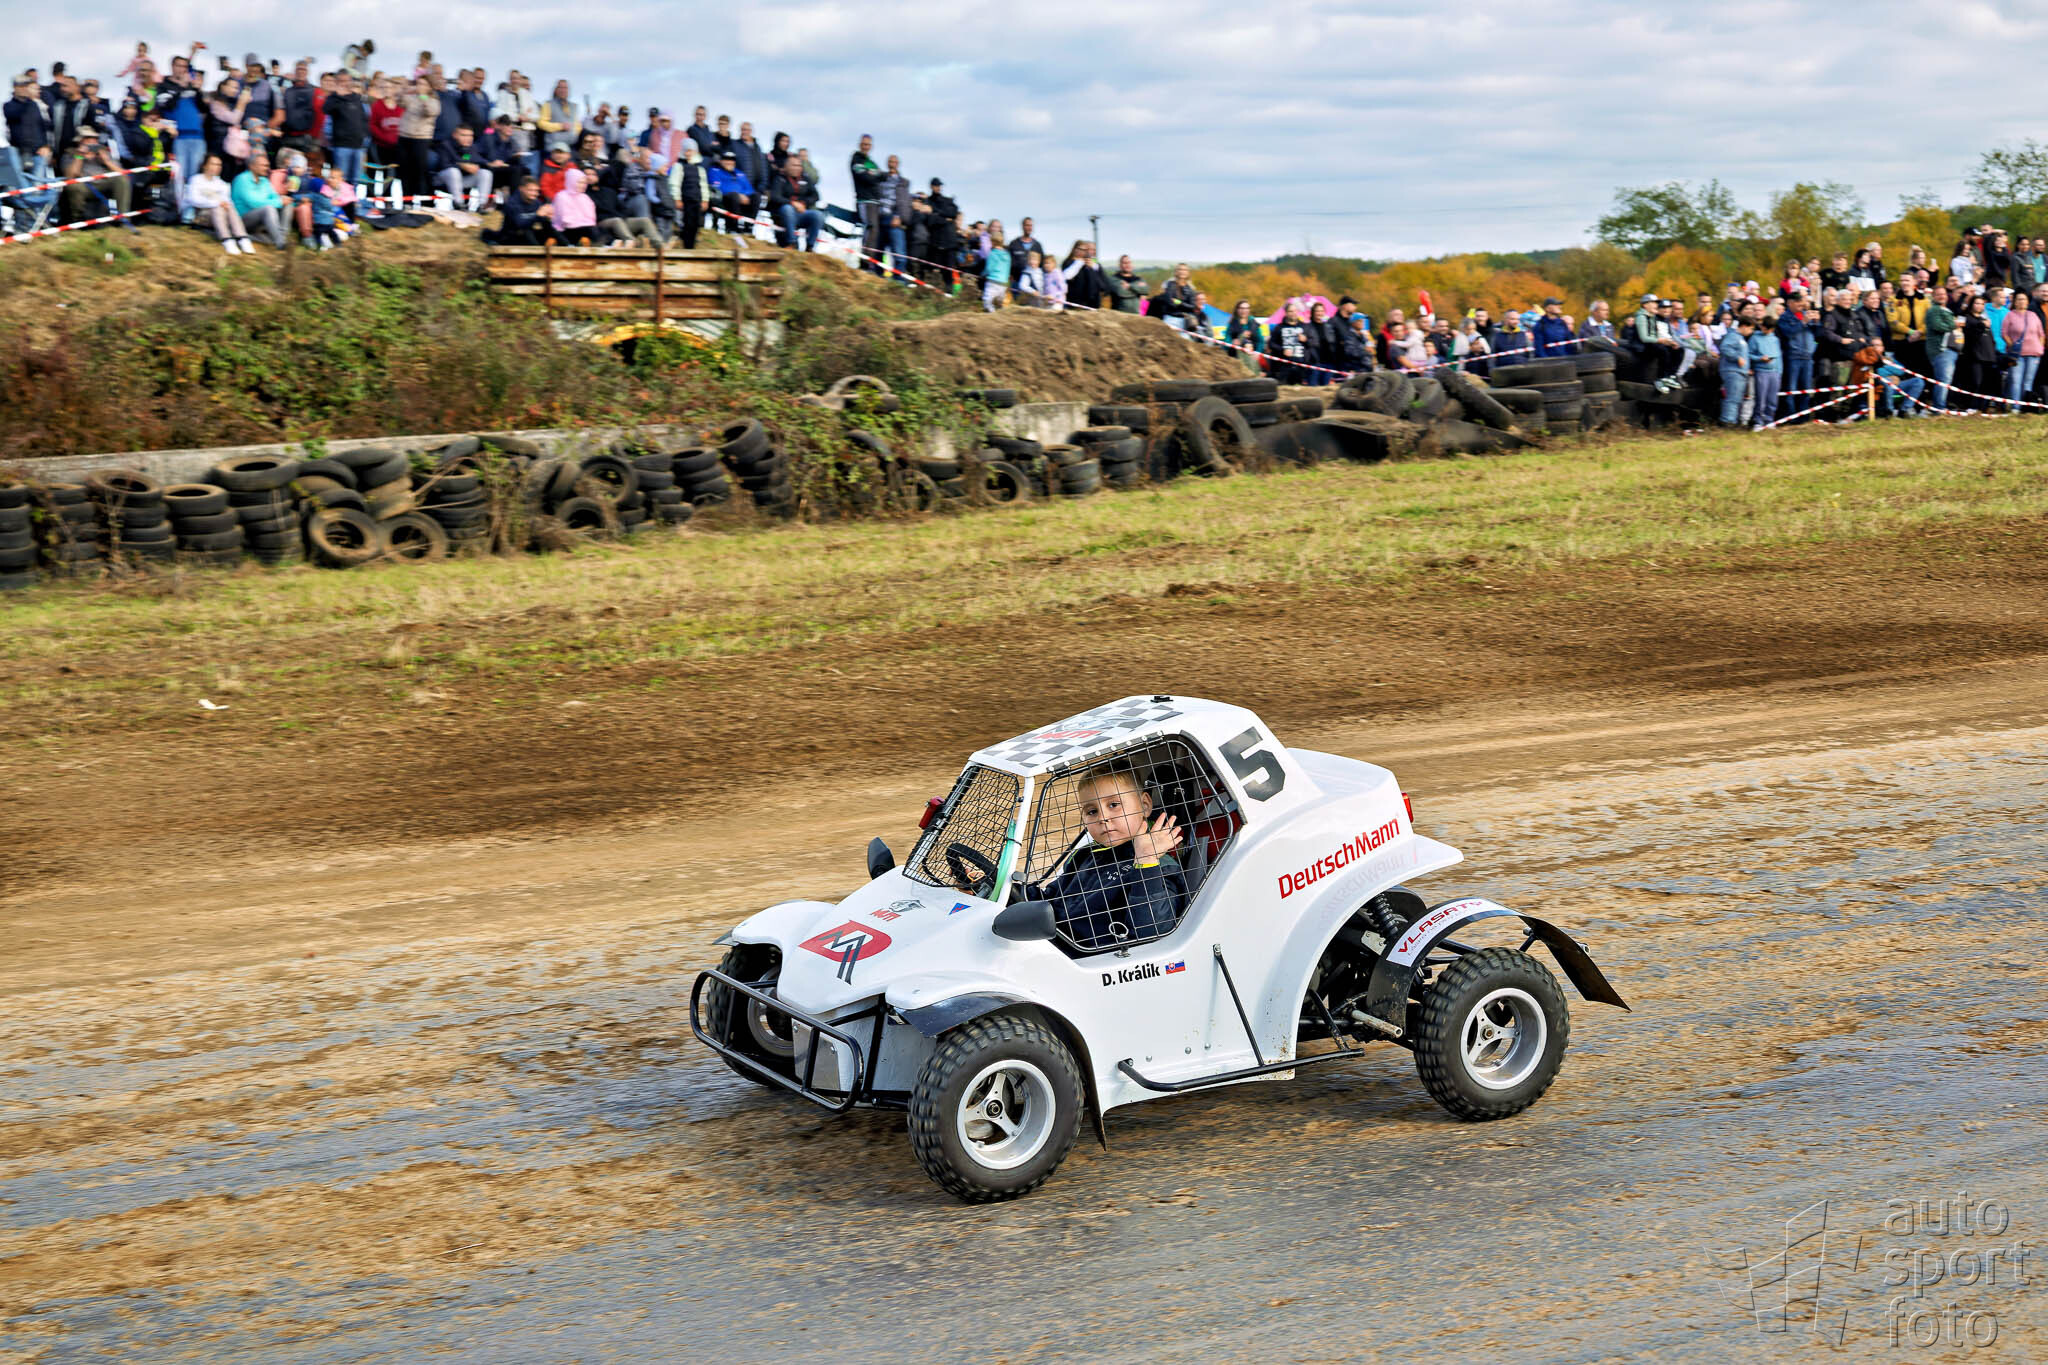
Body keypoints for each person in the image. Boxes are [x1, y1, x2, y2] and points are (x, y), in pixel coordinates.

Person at [1023, 766, 1186, 952]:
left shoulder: (1160, 866)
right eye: (1092, 811)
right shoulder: (1086, 855)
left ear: (1144, 805)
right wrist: (1014, 892)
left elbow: (1152, 931)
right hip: (1053, 945)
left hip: (1093, 958)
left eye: (1114, 805)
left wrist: (1146, 860)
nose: (1103, 818)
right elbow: (1052, 900)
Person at [183, 150, 253, 253]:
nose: (217, 167)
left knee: (229, 206)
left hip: (220, 216)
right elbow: (193, 200)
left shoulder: (222, 184)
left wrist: (225, 204)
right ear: (205, 165)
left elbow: (227, 201)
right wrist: (216, 203)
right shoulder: (196, 180)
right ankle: (226, 239)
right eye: (213, 164)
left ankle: (242, 237)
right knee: (218, 207)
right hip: (200, 215)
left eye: (219, 165)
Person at [231, 150, 288, 246]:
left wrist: (282, 200)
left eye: (268, 165)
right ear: (252, 166)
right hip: (243, 220)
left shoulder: (264, 180)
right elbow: (253, 202)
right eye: (263, 166)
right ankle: (280, 242)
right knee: (268, 208)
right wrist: (278, 202)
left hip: (260, 218)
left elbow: (274, 196)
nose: (267, 168)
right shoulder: (242, 179)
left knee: (288, 204)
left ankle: (281, 237)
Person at [767, 155, 823, 250]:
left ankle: (810, 247)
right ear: (786, 167)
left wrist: (804, 203)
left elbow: (815, 196)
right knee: (787, 208)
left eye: (799, 165)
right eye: (794, 165)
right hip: (783, 214)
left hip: (802, 213)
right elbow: (775, 197)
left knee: (817, 215)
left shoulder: (806, 179)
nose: (797, 168)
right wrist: (792, 203)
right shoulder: (779, 179)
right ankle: (791, 242)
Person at [396, 76, 439, 198]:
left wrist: (423, 96)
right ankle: (407, 200)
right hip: (404, 137)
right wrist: (404, 89)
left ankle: (424, 200)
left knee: (420, 171)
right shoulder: (411, 98)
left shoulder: (434, 101)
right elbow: (399, 101)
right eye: (419, 83)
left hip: (421, 140)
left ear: (429, 87)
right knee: (405, 171)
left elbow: (430, 111)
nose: (420, 86)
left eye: (424, 84)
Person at [2000, 293, 2043, 411]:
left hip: (2034, 354)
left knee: (2028, 382)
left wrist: (2040, 348)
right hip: (2016, 355)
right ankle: (2016, 407)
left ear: (2027, 302)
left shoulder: (2033, 315)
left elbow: (2041, 334)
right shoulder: (2010, 315)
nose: (2022, 301)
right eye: (2019, 299)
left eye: (2024, 299)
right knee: (2015, 380)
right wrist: (2012, 346)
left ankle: (2026, 406)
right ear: (2015, 302)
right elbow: (2004, 333)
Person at [434, 124, 492, 209]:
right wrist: (461, 165)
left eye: (470, 135)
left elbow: (478, 160)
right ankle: (459, 203)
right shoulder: (445, 145)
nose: (468, 138)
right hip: (442, 179)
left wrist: (489, 164)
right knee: (453, 172)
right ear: (455, 135)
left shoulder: (470, 148)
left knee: (485, 173)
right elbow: (444, 165)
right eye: (464, 135)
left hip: (462, 180)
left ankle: (482, 205)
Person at [1776, 292, 1816, 418]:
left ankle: (1804, 416)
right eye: (1797, 301)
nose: (1800, 304)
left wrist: (1817, 322)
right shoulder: (1784, 317)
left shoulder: (1806, 314)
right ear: (1789, 303)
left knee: (1806, 388)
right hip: (1793, 357)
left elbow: (1818, 333)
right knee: (1791, 389)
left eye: (1801, 301)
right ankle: (1791, 415)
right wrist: (1803, 322)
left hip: (1808, 357)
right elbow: (1788, 333)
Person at [849, 134, 883, 269]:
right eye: (864, 144)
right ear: (860, 145)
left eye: (868, 144)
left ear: (871, 146)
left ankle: (871, 263)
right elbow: (865, 178)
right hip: (864, 200)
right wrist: (874, 174)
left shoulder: (871, 162)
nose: (866, 147)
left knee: (875, 231)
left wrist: (873, 173)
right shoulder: (856, 159)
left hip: (875, 201)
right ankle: (865, 263)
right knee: (870, 227)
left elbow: (881, 175)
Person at [666, 139, 708, 248]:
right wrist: (677, 198)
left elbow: (703, 185)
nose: (688, 153)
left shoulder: (700, 169)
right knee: (687, 223)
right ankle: (686, 246)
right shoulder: (678, 166)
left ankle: (692, 246)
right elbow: (674, 183)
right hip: (686, 200)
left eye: (691, 151)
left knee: (695, 224)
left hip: (697, 200)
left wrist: (705, 200)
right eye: (686, 150)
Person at [1924, 285, 1959, 411]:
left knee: (1946, 380)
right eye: (1938, 294)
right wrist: (1954, 325)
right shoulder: (1934, 310)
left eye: (1943, 294)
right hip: (1940, 350)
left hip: (1950, 350)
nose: (1941, 296)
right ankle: (1939, 408)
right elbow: (1937, 326)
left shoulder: (1946, 310)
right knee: (1943, 379)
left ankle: (1941, 405)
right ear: (1933, 296)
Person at [484, 176, 548, 244]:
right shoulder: (512, 203)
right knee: (526, 232)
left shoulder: (536, 203)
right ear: (521, 189)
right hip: (510, 236)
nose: (534, 193)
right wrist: (537, 215)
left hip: (526, 235)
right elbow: (519, 224)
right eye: (530, 190)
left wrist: (548, 216)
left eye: (536, 191)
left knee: (548, 228)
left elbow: (541, 219)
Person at [1748, 309, 1783, 428]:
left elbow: (1779, 356)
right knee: (1760, 398)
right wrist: (1760, 358)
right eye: (1764, 328)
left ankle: (1769, 420)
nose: (1765, 330)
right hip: (1761, 372)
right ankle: (1758, 421)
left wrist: (1779, 372)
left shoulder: (1775, 339)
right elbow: (1749, 354)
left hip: (1774, 372)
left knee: (1772, 399)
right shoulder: (1755, 338)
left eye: (1768, 329)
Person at [1717, 317, 1754, 426]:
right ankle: (1727, 420)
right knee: (1732, 397)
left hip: (1740, 371)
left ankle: (1732, 419)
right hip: (1732, 371)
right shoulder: (1733, 336)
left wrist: (1747, 368)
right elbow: (1725, 348)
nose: (1751, 331)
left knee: (1736, 397)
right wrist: (1737, 358)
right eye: (1750, 329)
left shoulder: (1740, 338)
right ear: (1744, 326)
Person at [706, 149, 754, 231]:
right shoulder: (714, 171)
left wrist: (743, 195)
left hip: (742, 200)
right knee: (734, 196)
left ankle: (749, 227)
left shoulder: (740, 174)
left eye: (731, 160)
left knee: (756, 197)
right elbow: (717, 188)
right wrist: (738, 195)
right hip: (723, 200)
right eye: (726, 159)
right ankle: (733, 227)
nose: (729, 162)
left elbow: (749, 189)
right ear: (721, 161)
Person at [549, 164, 596, 245]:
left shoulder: (585, 197)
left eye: (584, 183)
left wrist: (584, 223)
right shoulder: (561, 196)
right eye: (580, 182)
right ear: (572, 181)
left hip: (583, 226)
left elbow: (591, 217)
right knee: (586, 231)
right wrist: (580, 223)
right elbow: (564, 220)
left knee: (596, 230)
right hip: (567, 229)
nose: (583, 185)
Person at [1152, 263, 1199, 331]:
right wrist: (1185, 306)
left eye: (1185, 270)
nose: (1182, 271)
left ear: (1188, 273)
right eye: (1180, 269)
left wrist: (1179, 302)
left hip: (1185, 321)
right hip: (1171, 319)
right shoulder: (1170, 284)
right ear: (1176, 272)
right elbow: (1169, 302)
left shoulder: (1190, 288)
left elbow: (1192, 306)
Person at [1063, 241, 1107, 310]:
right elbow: (1067, 276)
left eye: (1093, 250)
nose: (1091, 252)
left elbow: (1103, 284)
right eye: (1088, 249)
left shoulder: (1094, 263)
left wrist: (1093, 266)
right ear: (1074, 249)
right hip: (1076, 304)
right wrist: (1080, 262)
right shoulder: (1069, 262)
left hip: (1093, 304)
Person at [979, 219, 1011, 310]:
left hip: (993, 281)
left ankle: (992, 314)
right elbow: (1008, 270)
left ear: (992, 242)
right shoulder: (1007, 255)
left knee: (987, 301)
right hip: (1003, 283)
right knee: (1000, 303)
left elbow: (989, 269)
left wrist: (982, 275)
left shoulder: (992, 254)